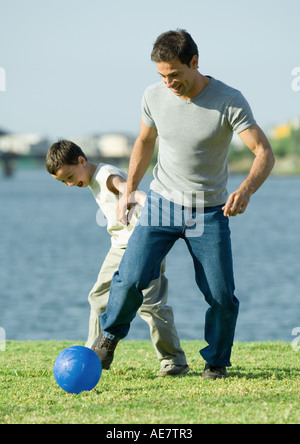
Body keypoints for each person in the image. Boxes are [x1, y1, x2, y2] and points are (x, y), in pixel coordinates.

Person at [94, 29, 275, 380]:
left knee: (221, 295)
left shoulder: (229, 99)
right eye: (161, 76)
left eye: (174, 74)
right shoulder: (153, 96)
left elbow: (263, 153)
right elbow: (144, 143)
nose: (168, 83)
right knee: (130, 278)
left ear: (195, 62)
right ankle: (109, 338)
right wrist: (129, 190)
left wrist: (247, 190)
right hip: (162, 204)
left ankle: (216, 362)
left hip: (208, 211)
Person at [45, 139, 189, 376]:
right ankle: (93, 355)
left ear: (82, 161)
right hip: (120, 246)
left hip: (144, 245)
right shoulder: (92, 179)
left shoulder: (105, 175)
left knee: (151, 306)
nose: (69, 184)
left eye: (69, 177)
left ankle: (174, 360)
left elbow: (128, 189)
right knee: (98, 297)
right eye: (63, 182)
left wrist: (146, 203)